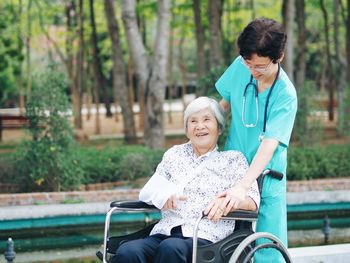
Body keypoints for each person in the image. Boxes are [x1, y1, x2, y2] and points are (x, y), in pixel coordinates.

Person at [112, 97, 260, 263]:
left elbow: (253, 201)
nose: (199, 126)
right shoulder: (174, 155)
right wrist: (163, 196)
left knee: (171, 248)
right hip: (165, 232)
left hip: (206, 236)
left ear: (219, 128)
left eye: (206, 120)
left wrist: (227, 201)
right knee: (128, 251)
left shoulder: (233, 160)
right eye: (193, 121)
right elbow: (149, 190)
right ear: (187, 129)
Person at [213, 17, 298, 262]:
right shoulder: (241, 65)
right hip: (230, 170)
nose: (252, 70)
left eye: (260, 66)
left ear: (279, 57)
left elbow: (270, 145)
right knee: (226, 248)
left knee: (267, 252)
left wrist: (243, 186)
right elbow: (223, 106)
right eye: (248, 63)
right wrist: (203, 135)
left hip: (265, 178)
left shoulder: (285, 95)